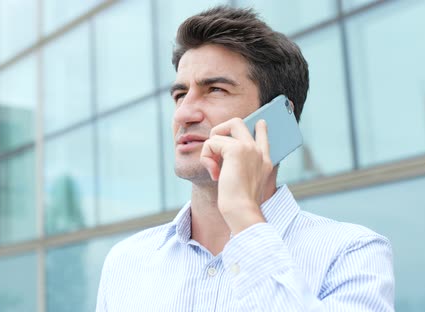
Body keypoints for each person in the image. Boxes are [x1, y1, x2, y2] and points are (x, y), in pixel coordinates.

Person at [95, 6, 394, 311]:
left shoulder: (351, 254)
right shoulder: (126, 262)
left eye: (215, 89)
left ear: (277, 118)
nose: (184, 113)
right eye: (180, 95)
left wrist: (243, 215)